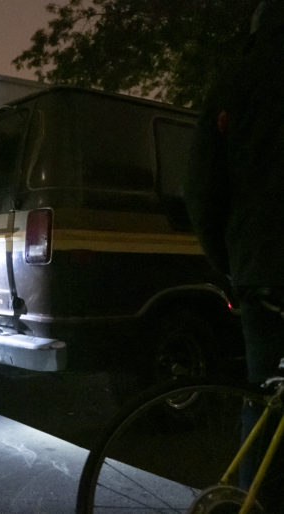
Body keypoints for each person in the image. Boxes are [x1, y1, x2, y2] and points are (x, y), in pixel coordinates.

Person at [185, 0, 284, 507]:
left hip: (258, 264)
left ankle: (249, 497)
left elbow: (201, 189)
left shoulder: (234, 82)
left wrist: (228, 265)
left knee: (263, 391)